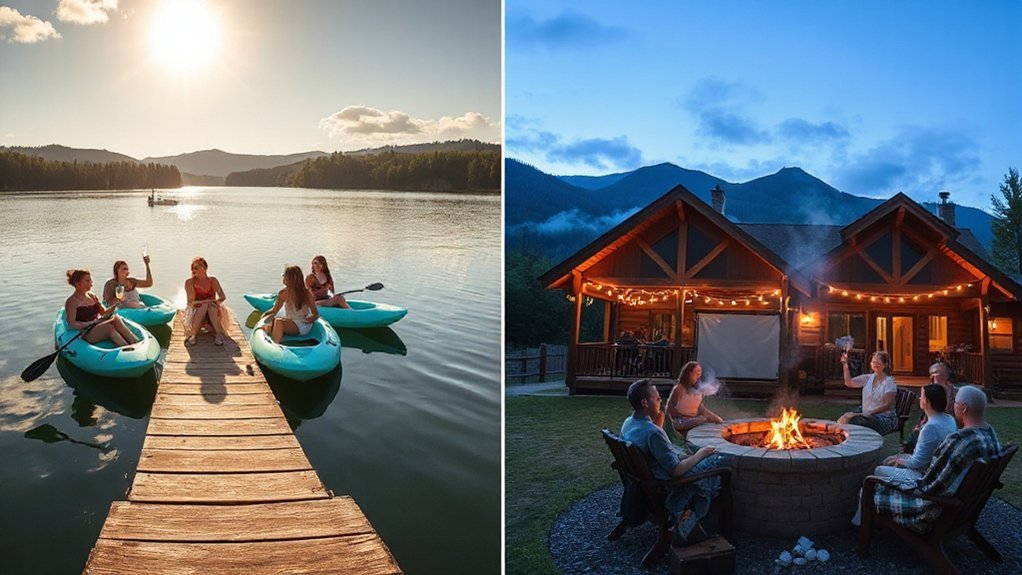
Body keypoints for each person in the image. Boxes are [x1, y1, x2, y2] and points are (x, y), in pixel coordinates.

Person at [854, 385, 1001, 532]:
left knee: (871, 479)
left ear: (963, 408)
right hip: (964, 503)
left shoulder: (960, 442)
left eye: (955, 402)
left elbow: (929, 484)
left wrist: (899, 468)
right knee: (885, 470)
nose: (952, 405)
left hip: (933, 506)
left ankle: (859, 526)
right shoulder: (989, 435)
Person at [622, 379, 724, 545]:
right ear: (644, 402)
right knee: (716, 460)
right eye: (657, 398)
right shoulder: (653, 433)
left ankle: (692, 512)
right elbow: (675, 470)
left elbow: (653, 446)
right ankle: (688, 518)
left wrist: (658, 425)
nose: (660, 401)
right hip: (666, 482)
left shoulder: (629, 423)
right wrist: (700, 454)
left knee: (696, 458)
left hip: (645, 480)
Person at [873, 384, 957, 481]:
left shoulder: (930, 428)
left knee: (879, 470)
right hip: (937, 466)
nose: (920, 398)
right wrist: (900, 458)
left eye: (922, 396)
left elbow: (917, 464)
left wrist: (899, 461)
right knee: (888, 460)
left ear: (927, 402)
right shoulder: (949, 419)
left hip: (924, 475)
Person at [63, 268, 138, 347]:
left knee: (116, 318)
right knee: (109, 329)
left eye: (91, 281)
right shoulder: (72, 301)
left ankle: (135, 342)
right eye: (87, 281)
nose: (91, 284)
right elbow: (71, 324)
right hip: (86, 332)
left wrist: (116, 303)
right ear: (77, 283)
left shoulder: (92, 296)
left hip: (97, 324)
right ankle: (127, 347)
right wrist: (90, 323)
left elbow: (104, 312)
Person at [837, 350, 898, 434]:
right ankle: (842, 440)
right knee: (844, 417)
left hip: (882, 418)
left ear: (884, 365)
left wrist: (867, 413)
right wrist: (845, 364)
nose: (875, 364)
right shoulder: (867, 378)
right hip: (867, 415)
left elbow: (886, 406)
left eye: (878, 362)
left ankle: (856, 443)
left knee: (853, 420)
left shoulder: (889, 382)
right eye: (873, 362)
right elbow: (849, 383)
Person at [903, 361, 956, 453]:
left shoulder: (953, 390)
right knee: (916, 435)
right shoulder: (927, 388)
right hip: (929, 420)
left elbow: (947, 410)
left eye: (936, 372)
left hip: (948, 421)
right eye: (931, 373)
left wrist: (944, 390)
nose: (932, 376)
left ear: (946, 375)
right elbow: (923, 407)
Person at [262, 265, 320, 343]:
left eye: (285, 276)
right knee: (273, 322)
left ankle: (275, 345)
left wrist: (310, 319)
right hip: (292, 322)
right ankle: (272, 337)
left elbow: (315, 314)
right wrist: (265, 314)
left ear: (289, 279)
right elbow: (275, 311)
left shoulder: (306, 293)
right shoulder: (283, 293)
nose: (283, 278)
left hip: (303, 324)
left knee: (278, 322)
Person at [183, 256, 233, 346]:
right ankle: (193, 335)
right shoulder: (190, 282)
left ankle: (218, 334)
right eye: (193, 268)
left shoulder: (212, 280)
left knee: (211, 307)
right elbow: (190, 302)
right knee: (204, 306)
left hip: (212, 307)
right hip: (196, 309)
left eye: (198, 267)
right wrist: (204, 302)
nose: (195, 270)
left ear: (205, 268)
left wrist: (215, 302)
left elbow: (222, 297)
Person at [667, 361, 724, 434]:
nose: (699, 374)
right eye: (697, 371)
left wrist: (716, 418)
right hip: (680, 421)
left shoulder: (699, 390)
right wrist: (688, 416)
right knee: (702, 419)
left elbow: (701, 408)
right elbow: (670, 409)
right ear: (689, 373)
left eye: (700, 371)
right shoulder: (679, 388)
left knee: (708, 420)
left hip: (694, 419)